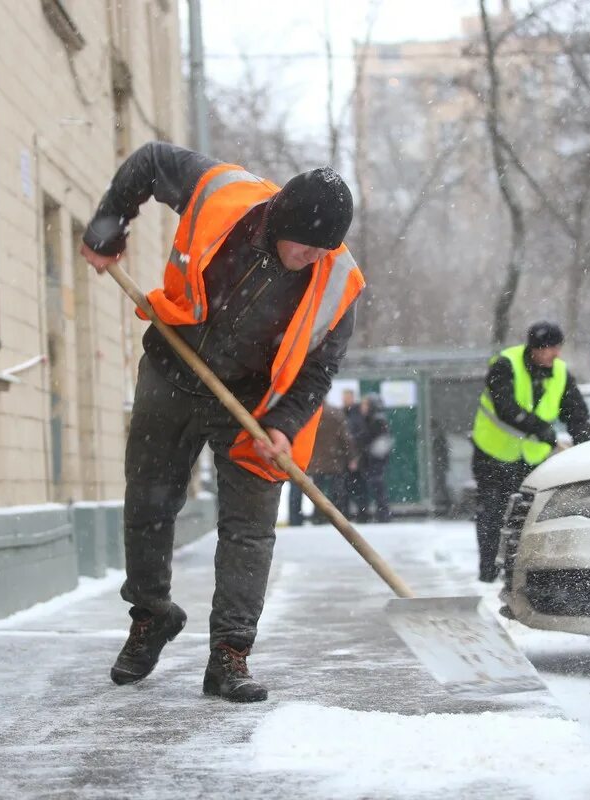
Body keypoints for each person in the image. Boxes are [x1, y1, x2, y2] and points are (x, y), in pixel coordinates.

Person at [79, 142, 363, 702]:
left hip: (253, 404)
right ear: (280, 220)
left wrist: (283, 423)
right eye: (305, 245)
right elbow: (149, 162)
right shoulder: (222, 194)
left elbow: (319, 368)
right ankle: (151, 614)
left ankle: (230, 654)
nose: (313, 257)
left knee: (249, 529)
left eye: (323, 249)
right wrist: (108, 228)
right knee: (149, 503)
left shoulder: (337, 282)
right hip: (173, 366)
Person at [472, 321, 590, 583]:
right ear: (535, 348)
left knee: (526, 517)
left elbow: (576, 413)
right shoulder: (505, 365)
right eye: (550, 348)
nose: (556, 354)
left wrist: (585, 444)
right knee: (492, 513)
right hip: (492, 453)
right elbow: (506, 408)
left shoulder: (560, 373)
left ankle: (517, 572)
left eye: (558, 347)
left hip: (531, 459)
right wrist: (540, 428)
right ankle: (488, 572)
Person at [306, 400, 357, 523]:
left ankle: (318, 516)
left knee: (317, 492)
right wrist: (352, 457)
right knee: (337, 490)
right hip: (334, 459)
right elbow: (346, 438)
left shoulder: (310, 413)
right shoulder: (336, 413)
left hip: (316, 460)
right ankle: (338, 516)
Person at [358, 393, 393, 523]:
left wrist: (369, 451)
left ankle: (383, 513)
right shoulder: (371, 419)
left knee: (378, 486)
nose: (362, 407)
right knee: (376, 486)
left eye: (365, 405)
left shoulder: (377, 420)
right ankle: (382, 513)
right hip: (372, 459)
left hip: (375, 460)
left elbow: (381, 442)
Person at [342, 388, 368, 519]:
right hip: (347, 457)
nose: (345, 400)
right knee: (348, 487)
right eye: (344, 398)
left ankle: (362, 513)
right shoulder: (345, 413)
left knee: (358, 487)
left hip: (356, 457)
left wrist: (355, 457)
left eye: (347, 398)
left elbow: (358, 437)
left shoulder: (356, 414)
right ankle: (353, 513)